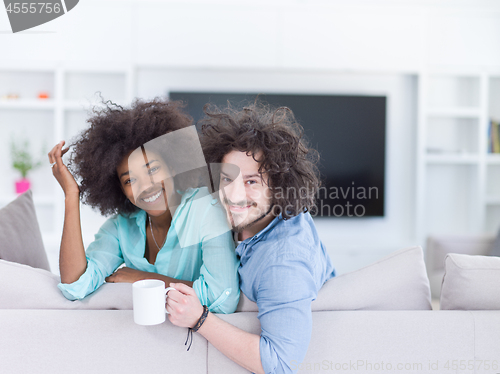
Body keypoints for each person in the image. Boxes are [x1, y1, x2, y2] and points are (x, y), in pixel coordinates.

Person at [166, 103, 336, 373]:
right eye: (226, 179)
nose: (233, 195)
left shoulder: (283, 263)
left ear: (280, 186)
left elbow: (281, 363)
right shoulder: (266, 214)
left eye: (251, 181)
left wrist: (199, 319)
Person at [47, 99, 239, 314]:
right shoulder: (121, 227)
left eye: (152, 169)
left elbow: (223, 297)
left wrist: (144, 279)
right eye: (130, 180)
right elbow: (75, 286)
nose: (146, 187)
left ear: (173, 165)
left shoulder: (205, 208)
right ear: (119, 188)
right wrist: (71, 195)